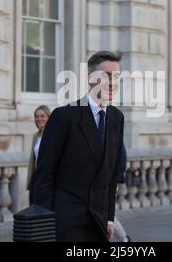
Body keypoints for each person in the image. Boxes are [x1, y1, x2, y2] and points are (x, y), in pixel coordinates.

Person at [31, 51, 125, 242]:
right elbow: (44, 175)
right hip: (66, 223)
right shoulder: (63, 116)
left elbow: (111, 174)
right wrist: (44, 224)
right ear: (90, 78)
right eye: (106, 76)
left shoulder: (117, 117)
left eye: (117, 77)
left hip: (99, 223)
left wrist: (109, 219)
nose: (113, 82)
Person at [27, 105, 51, 204]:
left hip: (47, 179)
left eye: (42, 116)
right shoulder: (36, 136)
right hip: (36, 178)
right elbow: (33, 160)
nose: (39, 119)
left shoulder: (52, 135)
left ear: (49, 117)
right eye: (37, 116)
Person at [113, 144, 131, 242]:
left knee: (108, 215)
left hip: (110, 181)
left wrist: (116, 178)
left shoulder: (112, 131)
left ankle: (124, 239)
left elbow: (121, 155)